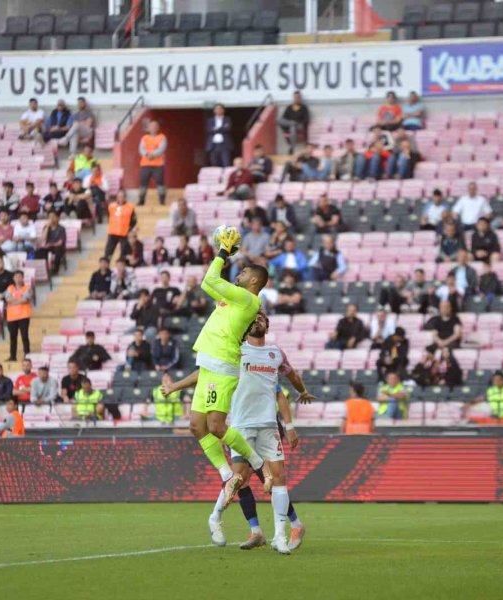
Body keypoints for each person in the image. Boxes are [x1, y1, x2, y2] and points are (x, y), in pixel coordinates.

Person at [165, 311, 311, 550]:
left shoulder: (275, 353)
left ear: (267, 324)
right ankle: (256, 530)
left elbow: (283, 387)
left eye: (262, 318)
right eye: (253, 319)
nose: (257, 320)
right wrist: (175, 387)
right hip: (239, 426)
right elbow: (204, 372)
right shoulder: (234, 351)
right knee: (240, 480)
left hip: (266, 425)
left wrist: (293, 419)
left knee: (272, 478)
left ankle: (286, 528)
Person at [184, 226, 270, 498]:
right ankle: (225, 474)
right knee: (197, 426)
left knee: (216, 427)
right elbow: (207, 283)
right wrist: (227, 256)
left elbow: (211, 277)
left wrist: (223, 252)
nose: (239, 274)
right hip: (208, 363)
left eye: (244, 273)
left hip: (222, 365)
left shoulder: (247, 299)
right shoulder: (233, 299)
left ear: (254, 282)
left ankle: (257, 463)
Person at [4, 270, 32, 361]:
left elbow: (26, 299)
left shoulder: (27, 287)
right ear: (13, 278)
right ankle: (13, 356)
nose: (18, 278)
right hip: (11, 317)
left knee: (25, 336)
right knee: (13, 338)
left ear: (23, 277)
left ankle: (27, 355)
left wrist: (14, 300)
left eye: (20, 276)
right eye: (16, 276)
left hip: (23, 316)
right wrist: (20, 299)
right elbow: (8, 299)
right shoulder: (10, 288)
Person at [138, 119, 167, 206]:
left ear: (158, 128)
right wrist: (147, 154)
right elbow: (141, 149)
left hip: (158, 165)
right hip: (145, 164)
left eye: (155, 126)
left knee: (160, 182)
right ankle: (141, 201)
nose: (153, 128)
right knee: (143, 182)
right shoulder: (144, 138)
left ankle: (162, 201)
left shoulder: (162, 137)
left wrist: (153, 154)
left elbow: (162, 148)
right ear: (149, 128)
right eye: (151, 126)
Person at [105, 189, 135, 260]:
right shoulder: (111, 206)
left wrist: (129, 229)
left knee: (123, 253)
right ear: (117, 197)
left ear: (125, 197)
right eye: (119, 196)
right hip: (112, 233)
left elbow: (134, 221)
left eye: (122, 197)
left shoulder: (130, 207)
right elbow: (109, 216)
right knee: (108, 253)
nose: (120, 198)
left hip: (124, 233)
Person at [35, 211, 67, 276]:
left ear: (57, 218)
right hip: (48, 246)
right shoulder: (46, 227)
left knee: (58, 250)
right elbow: (43, 239)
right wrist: (47, 227)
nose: (51, 218)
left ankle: (55, 270)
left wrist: (51, 244)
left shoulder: (61, 228)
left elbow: (60, 242)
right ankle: (44, 269)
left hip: (58, 247)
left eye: (53, 216)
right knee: (39, 251)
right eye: (49, 217)